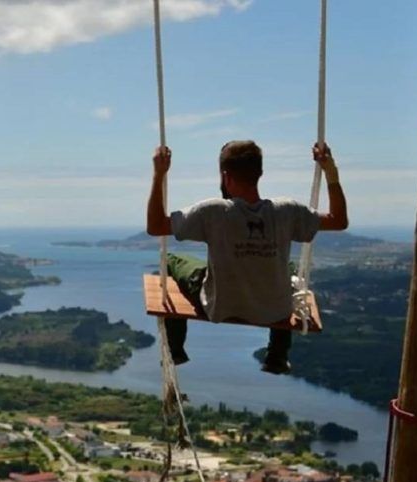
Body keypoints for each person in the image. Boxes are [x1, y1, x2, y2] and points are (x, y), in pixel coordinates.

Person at [146, 140, 348, 374]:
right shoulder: (287, 211)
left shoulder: (213, 212)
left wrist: (158, 174)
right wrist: (330, 171)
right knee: (289, 269)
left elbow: (156, 226)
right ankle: (277, 355)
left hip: (220, 306)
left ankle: (175, 349)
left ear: (225, 176)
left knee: (172, 260)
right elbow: (338, 220)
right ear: (260, 173)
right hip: (274, 310)